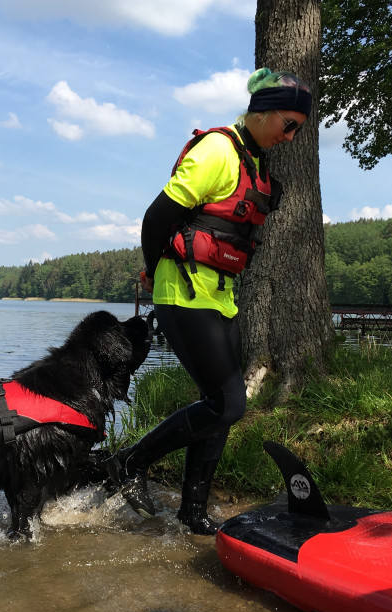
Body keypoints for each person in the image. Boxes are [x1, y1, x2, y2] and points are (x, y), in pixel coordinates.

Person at [110, 67, 312, 534]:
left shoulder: (255, 161)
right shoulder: (219, 150)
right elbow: (157, 215)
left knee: (219, 404)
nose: (291, 136)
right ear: (263, 112)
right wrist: (152, 265)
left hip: (221, 295)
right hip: (182, 288)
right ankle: (128, 463)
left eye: (298, 130)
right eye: (289, 125)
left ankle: (193, 510)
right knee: (228, 404)